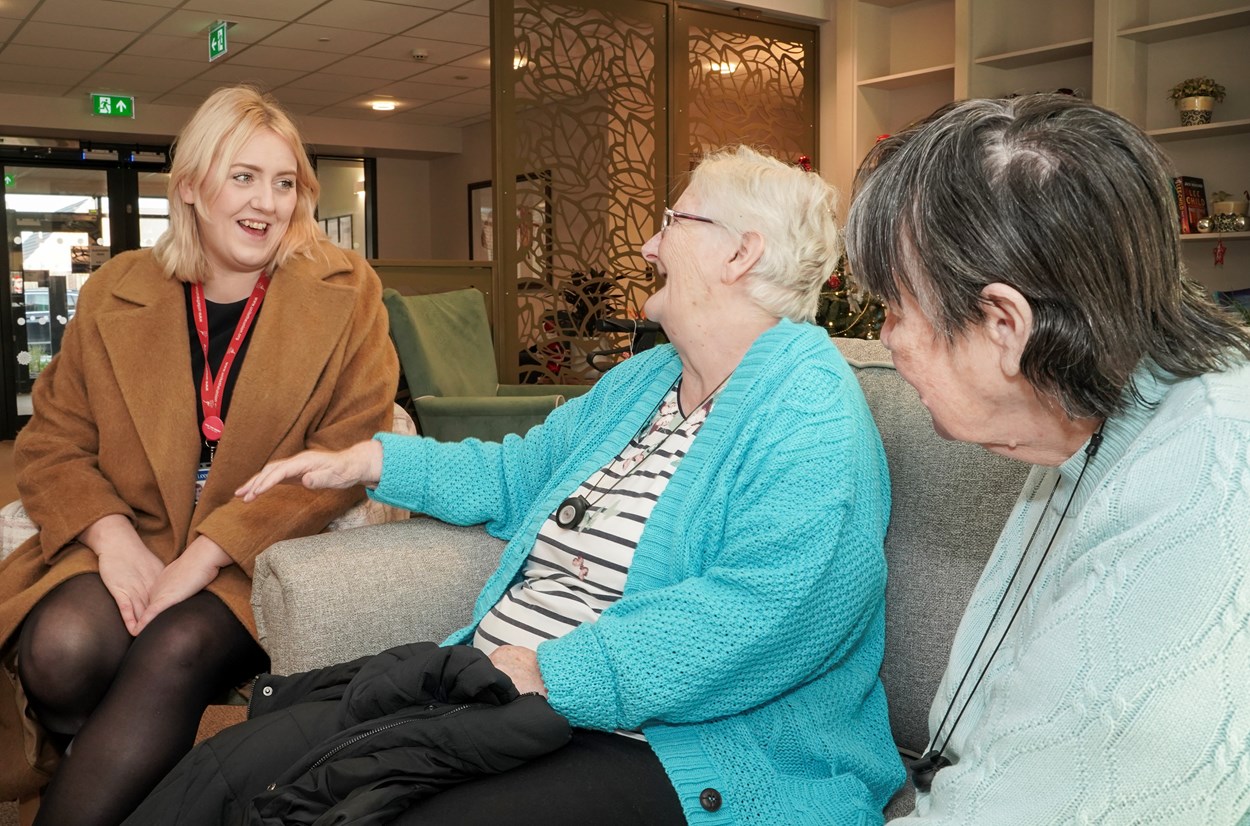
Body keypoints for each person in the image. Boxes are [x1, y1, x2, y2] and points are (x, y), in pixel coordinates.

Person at [130, 145, 905, 825]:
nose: (648, 242)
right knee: (238, 765)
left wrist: (550, 671)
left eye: (674, 221)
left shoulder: (809, 408)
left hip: (666, 746)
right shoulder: (648, 379)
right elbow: (517, 472)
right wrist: (372, 461)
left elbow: (767, 610)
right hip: (505, 688)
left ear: (741, 255)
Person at [843, 94, 1250, 823]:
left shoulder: (1211, 483)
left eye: (898, 307)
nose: (888, 339)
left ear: (1005, 324)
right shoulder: (1090, 414)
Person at [0, 85, 398, 826]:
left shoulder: (348, 291)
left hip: (261, 546)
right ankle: (136, 767)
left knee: (174, 645)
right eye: (242, 176)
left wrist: (209, 553)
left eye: (285, 183)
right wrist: (112, 540)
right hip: (135, 529)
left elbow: (349, 446)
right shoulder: (118, 288)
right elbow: (52, 441)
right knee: (58, 651)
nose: (267, 202)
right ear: (190, 187)